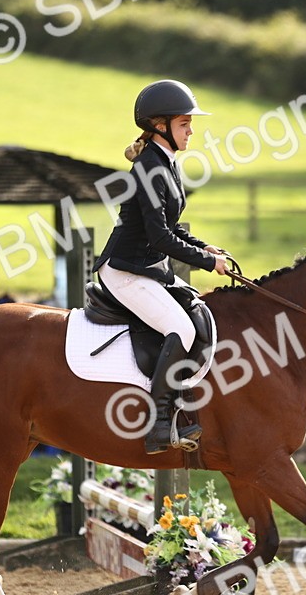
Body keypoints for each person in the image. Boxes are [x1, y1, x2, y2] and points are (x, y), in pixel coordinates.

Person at [92, 79, 230, 454]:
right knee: (181, 329)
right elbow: (159, 239)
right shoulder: (149, 171)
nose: (192, 131)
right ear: (160, 125)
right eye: (185, 123)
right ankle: (158, 426)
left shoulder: (164, 164)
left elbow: (169, 230)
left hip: (147, 269)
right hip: (125, 272)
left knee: (197, 313)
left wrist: (205, 246)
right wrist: (206, 262)